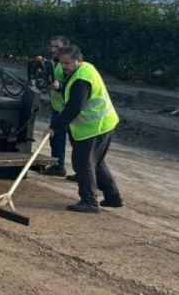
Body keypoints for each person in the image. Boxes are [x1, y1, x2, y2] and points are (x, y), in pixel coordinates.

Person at [48, 44, 123, 213]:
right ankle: (113, 197)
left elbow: (74, 107)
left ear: (78, 60)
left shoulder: (82, 80)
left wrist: (55, 127)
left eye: (67, 63)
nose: (63, 67)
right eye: (61, 63)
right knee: (96, 163)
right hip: (102, 124)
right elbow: (70, 90)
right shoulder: (84, 69)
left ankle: (89, 201)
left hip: (95, 127)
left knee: (82, 163)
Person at [43, 34, 71, 176]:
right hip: (57, 107)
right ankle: (57, 164)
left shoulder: (67, 65)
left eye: (57, 46)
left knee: (64, 139)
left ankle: (59, 166)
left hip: (68, 108)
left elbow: (75, 85)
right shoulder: (53, 63)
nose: (53, 49)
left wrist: (59, 86)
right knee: (56, 138)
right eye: (52, 46)